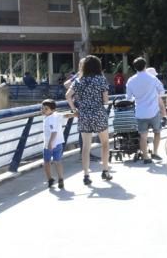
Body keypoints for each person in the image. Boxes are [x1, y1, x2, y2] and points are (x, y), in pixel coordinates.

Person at [65, 54, 113, 186]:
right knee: (105, 143)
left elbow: (68, 95)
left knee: (86, 147)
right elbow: (106, 100)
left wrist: (75, 109)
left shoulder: (79, 80)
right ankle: (105, 170)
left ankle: (86, 175)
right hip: (98, 113)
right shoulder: (101, 80)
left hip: (84, 115)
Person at [125, 57, 167, 163]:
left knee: (143, 135)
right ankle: (155, 152)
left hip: (140, 112)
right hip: (154, 111)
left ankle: (145, 157)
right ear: (145, 66)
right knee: (157, 132)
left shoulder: (131, 80)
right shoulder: (152, 78)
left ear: (135, 68)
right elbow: (162, 91)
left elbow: (129, 98)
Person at [41, 99, 64, 190]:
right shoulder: (56, 115)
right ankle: (61, 178)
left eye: (46, 109)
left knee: (47, 162)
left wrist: (50, 143)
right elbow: (65, 116)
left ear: (52, 110)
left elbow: (53, 132)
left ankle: (50, 179)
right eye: (42, 108)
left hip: (49, 145)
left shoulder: (49, 119)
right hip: (59, 143)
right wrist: (73, 114)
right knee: (57, 161)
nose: (43, 110)